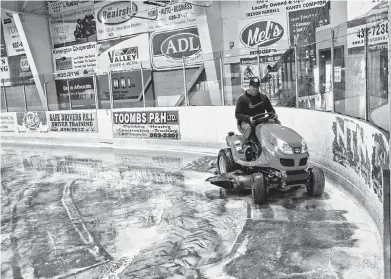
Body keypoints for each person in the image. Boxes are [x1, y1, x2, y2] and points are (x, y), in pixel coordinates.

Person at [235, 77, 277, 146]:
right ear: (249, 86)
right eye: (254, 86)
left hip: (261, 122)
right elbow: (237, 114)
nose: (255, 88)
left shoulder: (263, 98)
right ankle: (244, 145)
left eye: (257, 86)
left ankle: (277, 145)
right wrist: (248, 118)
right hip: (246, 122)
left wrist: (273, 116)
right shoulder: (242, 99)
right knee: (248, 128)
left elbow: (271, 110)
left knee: (277, 123)